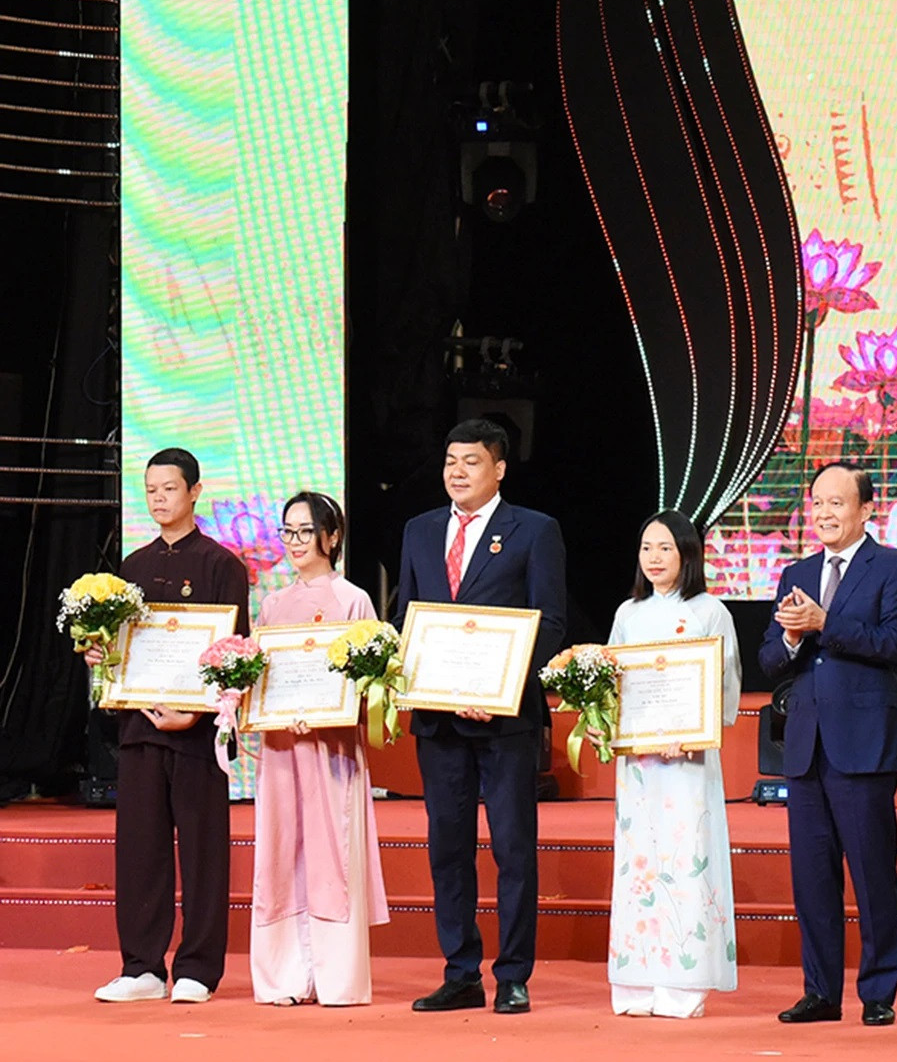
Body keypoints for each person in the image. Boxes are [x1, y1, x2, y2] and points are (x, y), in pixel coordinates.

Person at [395, 419, 566, 1014]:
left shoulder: (535, 531)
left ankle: (514, 973)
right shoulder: (419, 531)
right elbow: (406, 622)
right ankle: (460, 970)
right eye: (450, 461)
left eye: (471, 461)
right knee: (448, 848)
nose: (457, 472)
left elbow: (551, 624)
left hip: (505, 721)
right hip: (439, 720)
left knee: (513, 848)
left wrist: (495, 688)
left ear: (499, 469)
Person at [760, 462, 897, 1026]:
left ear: (866, 509)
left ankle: (878, 992)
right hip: (805, 744)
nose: (825, 514)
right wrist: (788, 634)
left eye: (837, 503)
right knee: (812, 876)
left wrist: (825, 622)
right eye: (817, 504)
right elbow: (769, 660)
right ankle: (820, 991)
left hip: (864, 742)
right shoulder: (795, 571)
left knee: (872, 872)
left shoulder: (894, 568)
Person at [92, 447, 251, 1005]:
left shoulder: (221, 565)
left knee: (204, 852)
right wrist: (102, 657)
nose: (159, 500)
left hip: (198, 732)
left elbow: (236, 655)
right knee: (139, 851)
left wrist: (198, 713)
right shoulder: (131, 567)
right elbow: (126, 649)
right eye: (151, 491)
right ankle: (142, 966)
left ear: (195, 493)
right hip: (139, 729)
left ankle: (199, 968)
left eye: (169, 489)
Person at [250, 492, 390, 1006]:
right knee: (281, 849)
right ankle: (284, 976)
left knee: (333, 853)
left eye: (305, 531)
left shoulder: (352, 599)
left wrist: (333, 709)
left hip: (332, 749)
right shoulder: (271, 605)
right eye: (287, 531)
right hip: (283, 747)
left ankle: (336, 978)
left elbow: (370, 681)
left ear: (331, 537)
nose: (295, 542)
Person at [602, 511, 743, 1018]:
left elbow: (723, 686)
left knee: (686, 855)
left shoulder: (710, 611)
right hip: (640, 763)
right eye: (646, 548)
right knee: (640, 863)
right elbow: (612, 682)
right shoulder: (629, 613)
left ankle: (685, 981)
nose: (654, 558)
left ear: (687, 553)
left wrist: (691, 731)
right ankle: (637, 979)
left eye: (665, 548)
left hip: (687, 760)